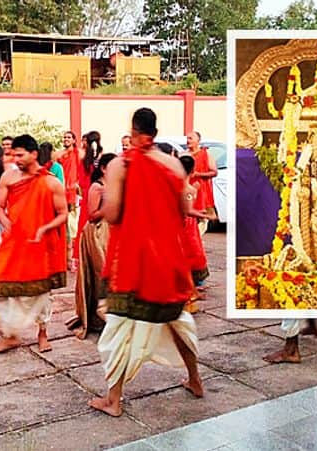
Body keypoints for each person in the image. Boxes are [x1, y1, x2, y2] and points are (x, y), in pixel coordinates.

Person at [89, 108, 208, 418]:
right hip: (169, 258)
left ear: (134, 129)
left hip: (134, 260)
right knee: (177, 321)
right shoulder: (173, 163)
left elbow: (113, 214)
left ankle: (113, 400)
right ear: (155, 131)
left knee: (120, 329)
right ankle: (195, 380)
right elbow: (184, 207)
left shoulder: (120, 164)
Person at [0, 134, 68, 354]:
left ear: (34, 154)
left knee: (40, 292)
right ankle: (11, 335)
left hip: (39, 244)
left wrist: (44, 228)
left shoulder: (51, 181)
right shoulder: (8, 177)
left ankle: (42, 334)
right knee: (6, 288)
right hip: (14, 241)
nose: (16, 159)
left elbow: (63, 213)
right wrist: (7, 224)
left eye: (20, 154)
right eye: (13, 155)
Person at [66, 153, 117, 339]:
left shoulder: (113, 186)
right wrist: (111, 203)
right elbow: (92, 215)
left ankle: (111, 316)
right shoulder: (98, 187)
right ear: (104, 168)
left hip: (111, 233)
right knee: (99, 273)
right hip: (97, 233)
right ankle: (97, 318)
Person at [178, 155, 217, 313]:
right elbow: (187, 211)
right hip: (184, 226)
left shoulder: (179, 186)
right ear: (193, 170)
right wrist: (205, 215)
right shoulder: (187, 189)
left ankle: (192, 290)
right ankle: (190, 293)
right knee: (189, 256)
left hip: (183, 224)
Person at [74, 131, 103, 270]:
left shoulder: (84, 160)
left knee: (84, 224)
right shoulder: (101, 158)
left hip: (87, 194)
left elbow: (81, 181)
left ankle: (80, 256)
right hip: (101, 192)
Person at [56, 131, 80, 270]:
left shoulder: (78, 154)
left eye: (69, 137)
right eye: (64, 137)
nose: (66, 139)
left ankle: (73, 259)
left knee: (73, 226)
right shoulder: (60, 156)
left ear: (74, 140)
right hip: (62, 193)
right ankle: (66, 259)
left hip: (74, 194)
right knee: (65, 229)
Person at [187, 131, 217, 230]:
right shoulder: (185, 155)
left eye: (190, 138)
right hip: (188, 190)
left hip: (202, 191)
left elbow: (214, 172)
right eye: (187, 138)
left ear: (198, 140)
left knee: (202, 218)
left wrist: (198, 174)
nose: (188, 141)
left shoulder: (205, 154)